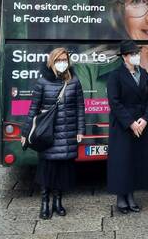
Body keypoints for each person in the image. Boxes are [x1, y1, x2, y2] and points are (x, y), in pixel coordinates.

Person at [22, 48, 85, 218]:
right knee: (47, 170)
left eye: (64, 59)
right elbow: (33, 108)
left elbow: (80, 107)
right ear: (52, 61)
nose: (62, 63)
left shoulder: (74, 82)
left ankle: (58, 201)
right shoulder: (42, 82)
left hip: (68, 132)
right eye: (58, 60)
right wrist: (25, 132)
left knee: (62, 170)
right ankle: (45, 203)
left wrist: (80, 130)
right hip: (47, 134)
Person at [106, 40, 148, 214]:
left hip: (141, 124)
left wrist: (145, 119)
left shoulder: (144, 74)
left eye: (137, 53)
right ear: (124, 57)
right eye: (132, 54)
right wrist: (130, 123)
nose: (136, 57)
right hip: (122, 125)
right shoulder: (115, 75)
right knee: (122, 161)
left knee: (136, 160)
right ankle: (121, 196)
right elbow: (114, 102)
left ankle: (131, 194)